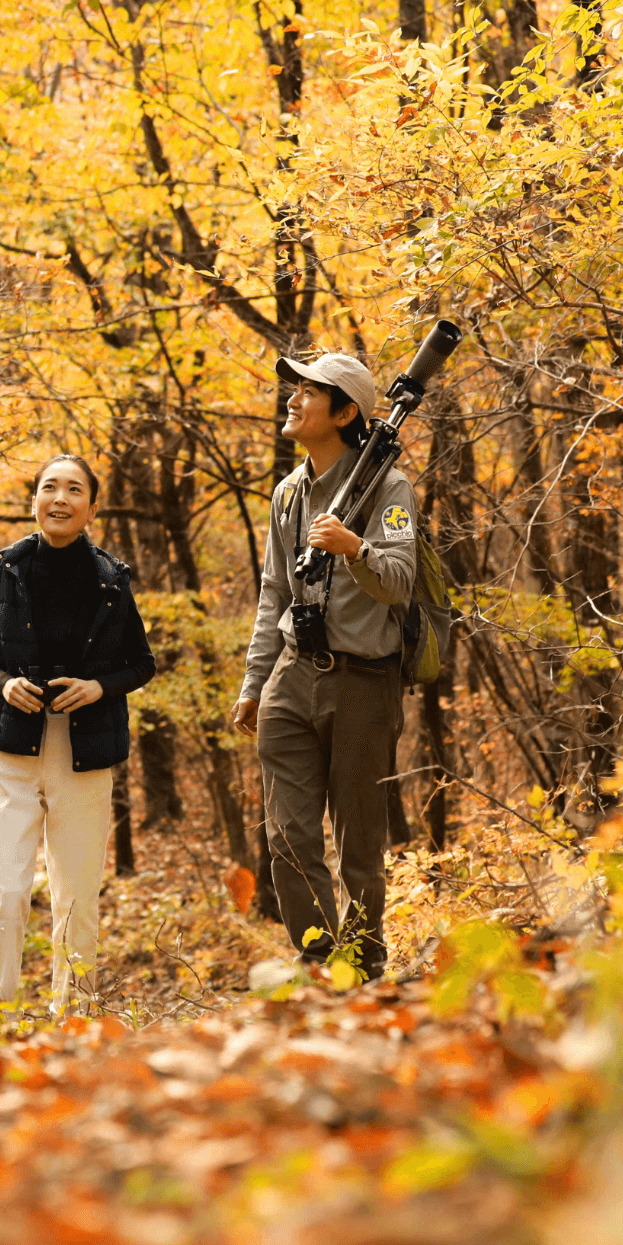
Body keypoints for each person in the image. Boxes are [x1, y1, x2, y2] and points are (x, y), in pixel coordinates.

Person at [233, 352, 419, 980]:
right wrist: (254, 683)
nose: (293, 399)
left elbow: (399, 583)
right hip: (292, 672)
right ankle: (318, 963)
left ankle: (363, 968)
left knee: (360, 843)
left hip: (364, 680)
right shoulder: (288, 494)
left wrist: (355, 547)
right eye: (296, 388)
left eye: (310, 391)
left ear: (345, 413)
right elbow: (273, 593)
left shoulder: (388, 488)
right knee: (288, 835)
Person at [0, 455, 155, 1016]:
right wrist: (4, 685)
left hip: (86, 752)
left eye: (75, 490)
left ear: (92, 508)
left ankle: (73, 1018)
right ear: (34, 501)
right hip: (14, 750)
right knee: (8, 890)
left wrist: (98, 687)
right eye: (50, 488)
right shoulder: (5, 571)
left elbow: (141, 664)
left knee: (76, 896)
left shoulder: (112, 580)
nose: (61, 498)